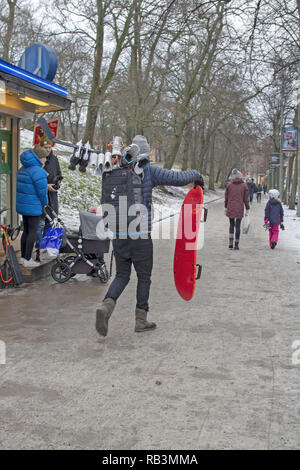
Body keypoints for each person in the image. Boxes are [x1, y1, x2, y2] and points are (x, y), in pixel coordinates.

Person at [95, 135, 204, 337]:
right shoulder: (149, 171)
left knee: (122, 275)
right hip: (140, 235)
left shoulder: (116, 169)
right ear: (146, 152)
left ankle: (106, 307)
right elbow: (177, 179)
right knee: (144, 277)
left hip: (119, 233)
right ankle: (141, 320)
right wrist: (196, 175)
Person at [16, 145, 48, 267]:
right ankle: (28, 259)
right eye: (44, 157)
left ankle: (23, 257)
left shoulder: (23, 168)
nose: (45, 160)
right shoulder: (38, 171)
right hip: (34, 205)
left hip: (24, 206)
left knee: (26, 231)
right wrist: (45, 204)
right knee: (33, 232)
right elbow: (42, 191)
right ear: (40, 158)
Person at [35, 139, 62, 261]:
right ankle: (38, 251)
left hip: (52, 198)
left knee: (50, 224)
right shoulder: (37, 160)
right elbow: (35, 180)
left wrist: (58, 182)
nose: (47, 149)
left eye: (49, 147)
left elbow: (59, 173)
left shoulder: (54, 159)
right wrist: (46, 186)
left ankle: (47, 250)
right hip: (41, 197)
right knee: (39, 225)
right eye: (45, 147)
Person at [225, 168, 250, 250]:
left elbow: (226, 198)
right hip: (239, 207)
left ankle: (230, 242)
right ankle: (236, 244)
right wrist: (247, 208)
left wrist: (226, 206)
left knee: (231, 224)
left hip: (231, 206)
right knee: (238, 226)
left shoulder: (229, 185)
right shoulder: (244, 186)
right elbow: (246, 199)